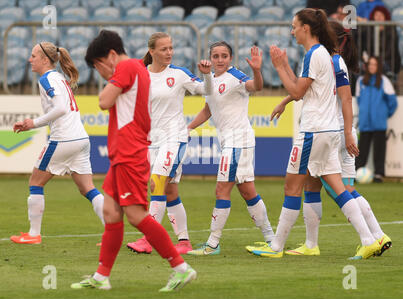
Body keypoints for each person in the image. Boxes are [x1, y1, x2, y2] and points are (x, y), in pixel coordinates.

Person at [249, 8, 381, 260]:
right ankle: (368, 239)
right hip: (328, 130)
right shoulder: (323, 55)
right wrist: (286, 66)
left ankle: (276, 246)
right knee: (336, 187)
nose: (292, 31)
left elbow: (298, 92)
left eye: (294, 26)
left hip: (313, 131)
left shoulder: (314, 54)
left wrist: (279, 67)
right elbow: (302, 90)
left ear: (306, 28)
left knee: (291, 186)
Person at [71, 30, 196, 292]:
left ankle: (180, 267)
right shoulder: (139, 69)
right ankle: (101, 276)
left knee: (136, 215)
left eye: (98, 66)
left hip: (130, 153)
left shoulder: (127, 67)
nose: (100, 73)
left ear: (112, 55)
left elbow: (104, 101)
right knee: (111, 213)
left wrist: (112, 79)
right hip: (125, 153)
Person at [126, 32, 213, 255]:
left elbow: (208, 92)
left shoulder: (179, 74)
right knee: (170, 191)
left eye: (171, 48)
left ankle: (149, 239)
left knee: (157, 183)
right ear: (152, 51)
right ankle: (184, 242)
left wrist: (208, 75)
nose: (169, 53)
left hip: (175, 137)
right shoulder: (141, 75)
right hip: (151, 141)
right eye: (164, 49)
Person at [10, 42, 105, 245]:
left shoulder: (46, 79)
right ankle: (112, 233)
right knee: (88, 189)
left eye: (33, 56)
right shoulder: (59, 78)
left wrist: (32, 123)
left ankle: (34, 234)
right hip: (81, 139)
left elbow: (61, 108)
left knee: (35, 183)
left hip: (64, 139)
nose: (30, 60)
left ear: (45, 59)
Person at [185, 41, 275, 256]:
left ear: (230, 58)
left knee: (222, 190)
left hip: (238, 140)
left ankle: (212, 244)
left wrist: (256, 69)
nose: (219, 60)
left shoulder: (236, 76)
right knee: (247, 191)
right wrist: (187, 128)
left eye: (224, 56)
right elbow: (208, 110)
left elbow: (257, 86)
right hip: (230, 141)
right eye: (215, 56)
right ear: (210, 58)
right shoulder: (211, 80)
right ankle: (272, 239)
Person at [355, 55, 398, 183]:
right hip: (364, 123)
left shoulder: (384, 80)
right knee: (361, 150)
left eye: (374, 64)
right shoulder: (361, 81)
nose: (372, 66)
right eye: (370, 64)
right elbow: (359, 100)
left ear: (378, 66)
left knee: (379, 151)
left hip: (379, 123)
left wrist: (384, 114)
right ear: (367, 66)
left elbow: (393, 103)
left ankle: (379, 174)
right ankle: (358, 172)